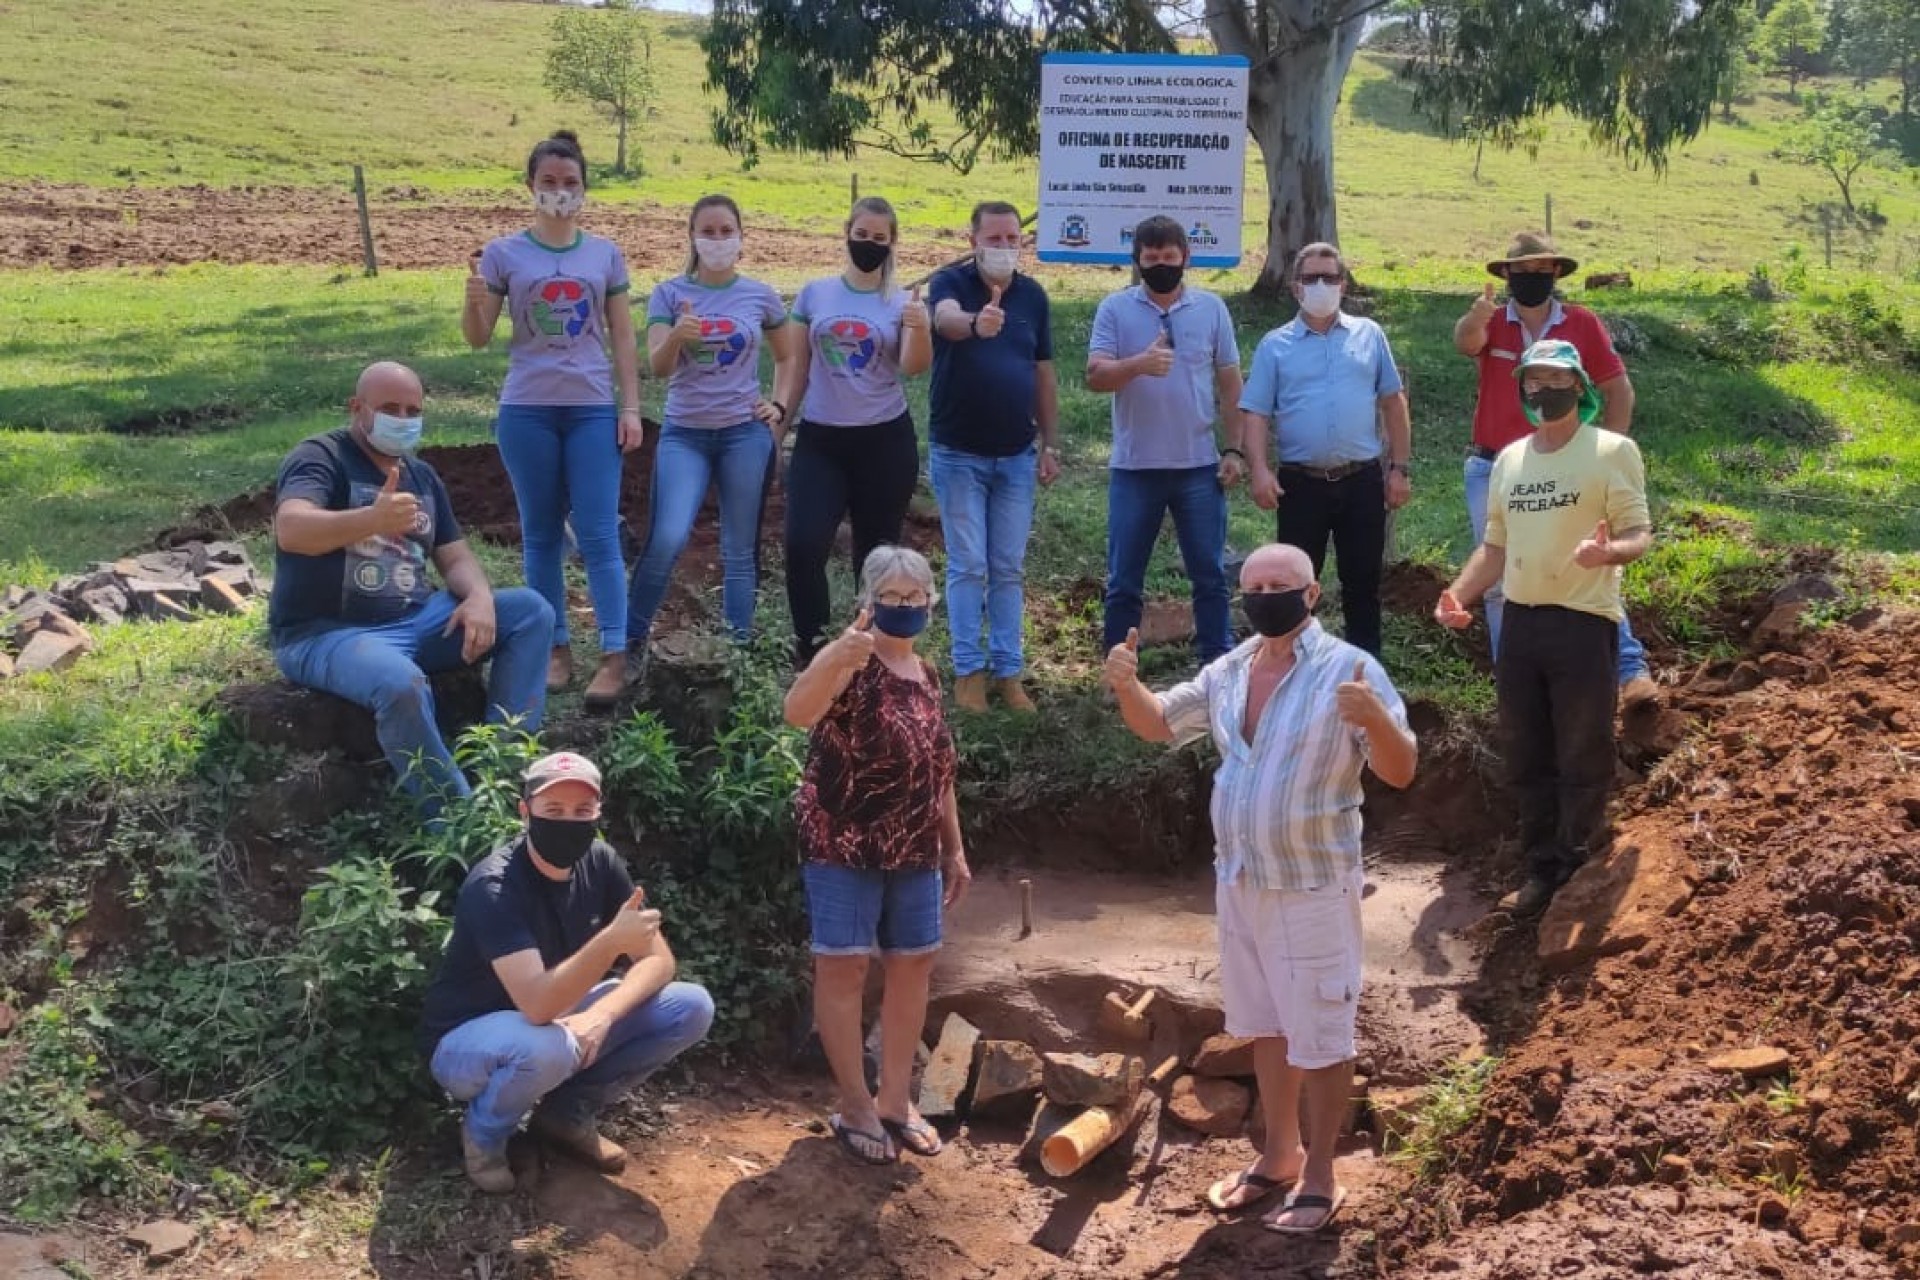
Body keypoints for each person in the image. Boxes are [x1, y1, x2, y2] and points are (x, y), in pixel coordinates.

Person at [1106, 543, 1416, 1234]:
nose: (1267, 594)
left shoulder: (1351, 669)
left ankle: (1321, 1176)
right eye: (1255, 585)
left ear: (1312, 595)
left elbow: (1401, 771)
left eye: (1282, 584)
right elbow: (1159, 723)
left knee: (1322, 1034)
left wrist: (1376, 719)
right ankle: (1279, 1155)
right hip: (1241, 881)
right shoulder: (1231, 668)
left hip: (1311, 885)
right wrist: (1127, 684)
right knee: (1269, 1025)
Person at [268, 361, 553, 824]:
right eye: (389, 409)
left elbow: (455, 557)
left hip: (415, 619)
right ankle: (459, 823)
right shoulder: (320, 457)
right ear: (357, 409)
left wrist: (479, 596)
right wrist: (371, 520)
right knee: (402, 685)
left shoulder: (421, 476)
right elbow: (292, 529)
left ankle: (501, 775)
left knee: (530, 612)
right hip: (326, 632)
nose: (402, 419)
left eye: (412, 410)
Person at [419, 751, 715, 1193]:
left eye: (583, 810)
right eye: (553, 810)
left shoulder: (600, 861)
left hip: (560, 1020)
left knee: (691, 1006)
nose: (569, 821)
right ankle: (485, 1135)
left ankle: (565, 1115)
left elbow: (659, 961)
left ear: (598, 813)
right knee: (547, 1045)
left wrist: (604, 1014)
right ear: (526, 812)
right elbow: (538, 1005)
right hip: (465, 1042)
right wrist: (611, 941)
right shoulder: (494, 887)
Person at [1434, 339, 1653, 914]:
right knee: (1526, 748)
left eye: (1556, 380)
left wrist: (1606, 555)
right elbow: (1494, 549)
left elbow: (1639, 535)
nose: (1544, 391)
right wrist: (1458, 594)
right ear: (1523, 390)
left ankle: (1577, 862)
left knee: (1582, 747)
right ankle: (1540, 867)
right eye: (1533, 382)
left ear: (1579, 386)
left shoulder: (1612, 451)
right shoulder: (1509, 459)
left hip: (1583, 622)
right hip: (1523, 624)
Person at [783, 546, 970, 1165]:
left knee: (914, 965)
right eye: (890, 596)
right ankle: (855, 1107)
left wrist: (955, 849)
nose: (903, 606)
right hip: (843, 842)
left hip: (915, 847)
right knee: (844, 969)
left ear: (930, 604)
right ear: (867, 601)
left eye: (914, 598)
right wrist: (836, 655)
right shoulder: (849, 662)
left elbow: (940, 771)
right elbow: (796, 713)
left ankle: (896, 1100)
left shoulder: (929, 676)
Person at [463, 131, 643, 708]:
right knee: (540, 534)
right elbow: (477, 337)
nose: (560, 193)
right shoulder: (502, 254)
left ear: (584, 188)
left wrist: (631, 407)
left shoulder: (604, 254)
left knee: (596, 533)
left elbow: (621, 335)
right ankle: (556, 649)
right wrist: (471, 298)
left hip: (590, 407)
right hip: (526, 409)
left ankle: (615, 656)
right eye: (549, 183)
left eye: (570, 183)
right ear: (531, 188)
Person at [1451, 231, 1655, 705]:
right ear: (1506, 275)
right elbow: (1466, 343)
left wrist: (1607, 451)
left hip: (1568, 463)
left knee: (1595, 562)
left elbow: (1618, 389)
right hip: (1497, 466)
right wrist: (1476, 316)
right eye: (1525, 271)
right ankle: (1515, 681)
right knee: (1501, 576)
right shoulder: (1492, 323)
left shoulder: (1581, 324)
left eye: (1545, 272)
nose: (1535, 280)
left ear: (1558, 276)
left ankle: (1628, 670)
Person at [626, 195, 800, 663]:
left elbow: (788, 356)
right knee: (667, 537)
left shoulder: (760, 295)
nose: (718, 240)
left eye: (727, 231)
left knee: (739, 548)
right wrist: (678, 336)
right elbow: (658, 368)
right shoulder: (668, 293)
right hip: (686, 434)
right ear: (693, 237)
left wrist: (779, 406)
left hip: (744, 433)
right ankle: (629, 642)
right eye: (709, 231)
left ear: (741, 237)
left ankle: (735, 653)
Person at [777, 197, 933, 669]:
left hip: (884, 441)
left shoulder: (901, 299)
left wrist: (919, 327)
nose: (868, 244)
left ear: (892, 243)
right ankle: (814, 649)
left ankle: (873, 651)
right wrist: (777, 425)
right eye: (861, 235)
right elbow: (797, 367)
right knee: (803, 545)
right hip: (821, 440)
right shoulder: (815, 294)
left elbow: (912, 366)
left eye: (879, 238)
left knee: (875, 554)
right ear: (847, 234)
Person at [1085, 215, 1246, 664]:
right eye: (1151, 258)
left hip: (1198, 466)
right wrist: (1138, 364)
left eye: (1169, 257)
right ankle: (1117, 670)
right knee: (1123, 580)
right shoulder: (1115, 309)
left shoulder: (1212, 308)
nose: (1161, 265)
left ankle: (1218, 667)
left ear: (1186, 258)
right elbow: (1096, 376)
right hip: (1135, 468)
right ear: (1136, 260)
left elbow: (1231, 384)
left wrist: (1234, 449)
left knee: (1210, 576)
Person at [1241, 243, 1412, 657]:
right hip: (1301, 485)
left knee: (1363, 585)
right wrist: (1260, 471)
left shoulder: (1369, 335)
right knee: (1294, 587)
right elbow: (1256, 413)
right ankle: (1294, 669)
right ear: (1296, 287)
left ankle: (1365, 679)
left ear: (1343, 284)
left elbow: (1393, 401)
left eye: (1330, 277)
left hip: (1362, 481)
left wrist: (1399, 469)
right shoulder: (1274, 345)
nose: (1322, 286)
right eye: (1312, 278)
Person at [927, 201, 1062, 712]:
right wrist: (975, 323)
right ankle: (968, 673)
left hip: (1016, 457)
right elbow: (943, 321)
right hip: (958, 453)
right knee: (968, 565)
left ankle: (1009, 673)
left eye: (1013, 240)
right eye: (995, 239)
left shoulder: (1033, 296)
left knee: (1007, 567)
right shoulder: (950, 284)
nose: (1005, 248)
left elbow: (1044, 373)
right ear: (973, 241)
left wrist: (1050, 442)